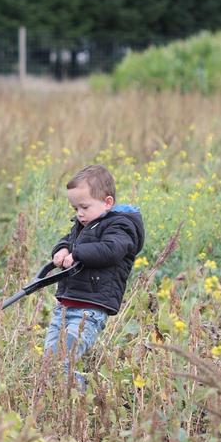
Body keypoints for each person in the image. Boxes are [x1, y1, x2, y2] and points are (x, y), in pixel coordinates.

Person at [45, 164, 145, 388]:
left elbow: (111, 250)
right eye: (75, 208)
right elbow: (69, 240)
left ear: (107, 202)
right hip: (65, 305)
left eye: (84, 207)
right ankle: (76, 395)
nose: (79, 213)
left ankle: (88, 393)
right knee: (50, 362)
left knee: (61, 360)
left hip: (89, 310)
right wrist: (61, 250)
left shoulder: (121, 227)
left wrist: (77, 254)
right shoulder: (85, 223)